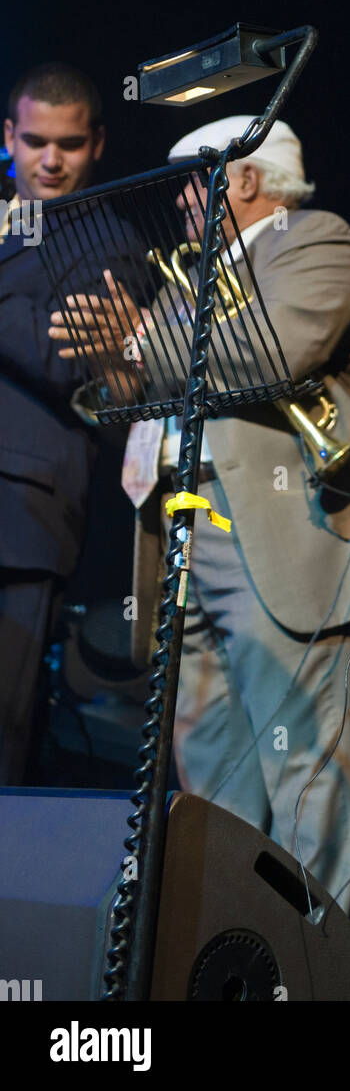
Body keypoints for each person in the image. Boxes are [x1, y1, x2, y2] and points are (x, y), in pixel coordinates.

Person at [51, 116, 350, 911]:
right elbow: (142, 385)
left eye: (192, 182)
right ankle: (230, 963)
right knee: (211, 781)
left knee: (307, 784)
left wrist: (139, 342)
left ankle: (315, 977)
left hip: (286, 539)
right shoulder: (188, 278)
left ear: (243, 180)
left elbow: (270, 352)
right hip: (184, 529)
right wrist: (109, 365)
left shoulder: (316, 238)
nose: (179, 202)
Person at [0, 62, 108, 783]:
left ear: (95, 144)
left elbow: (68, 361)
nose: (49, 160)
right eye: (35, 140)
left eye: (67, 145)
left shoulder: (107, 235)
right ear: (8, 136)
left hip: (24, 518)